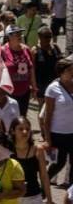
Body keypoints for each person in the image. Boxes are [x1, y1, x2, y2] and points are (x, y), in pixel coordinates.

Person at [41, 58, 73, 186]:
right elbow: (47, 117)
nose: (72, 72)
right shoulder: (52, 89)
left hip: (72, 133)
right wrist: (47, 139)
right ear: (61, 72)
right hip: (57, 133)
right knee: (59, 163)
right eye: (70, 70)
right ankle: (44, 184)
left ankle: (71, 190)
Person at [9, 116, 50, 204]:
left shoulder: (38, 149)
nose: (25, 132)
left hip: (33, 197)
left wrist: (49, 199)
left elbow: (44, 176)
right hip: (12, 198)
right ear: (13, 131)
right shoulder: (7, 150)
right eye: (20, 129)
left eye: (27, 129)